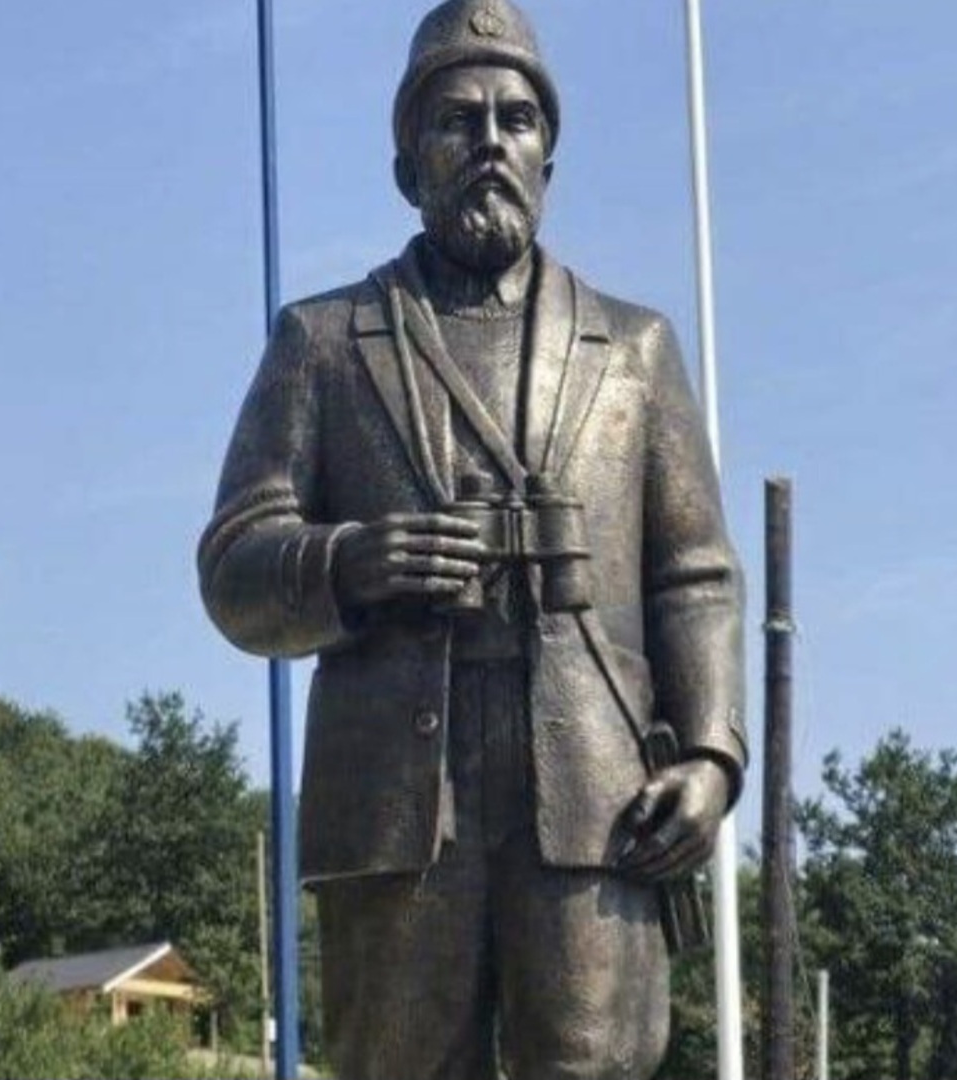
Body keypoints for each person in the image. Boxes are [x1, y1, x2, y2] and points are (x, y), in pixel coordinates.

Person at [198, 2, 744, 1076]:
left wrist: (713, 756)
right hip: (398, 806)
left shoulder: (634, 349)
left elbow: (694, 577)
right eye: (456, 120)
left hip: (593, 796)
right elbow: (233, 564)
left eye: (516, 120)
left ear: (548, 160)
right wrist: (350, 563)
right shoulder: (321, 342)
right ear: (408, 168)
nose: (490, 141)